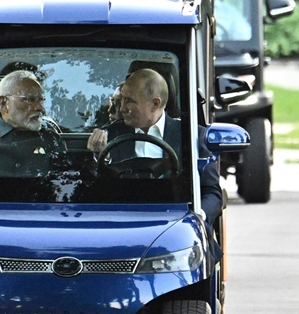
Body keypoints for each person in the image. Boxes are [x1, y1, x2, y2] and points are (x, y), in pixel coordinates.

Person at [87, 68, 223, 226]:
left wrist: (196, 218)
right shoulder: (110, 134)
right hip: (119, 222)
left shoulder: (192, 136)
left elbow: (212, 193)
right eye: (121, 100)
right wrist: (98, 156)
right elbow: (91, 189)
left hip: (176, 224)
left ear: (155, 104)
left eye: (129, 101)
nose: (122, 108)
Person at [0, 70, 66, 178]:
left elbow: (63, 184)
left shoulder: (50, 139)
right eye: (30, 99)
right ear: (3, 102)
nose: (40, 108)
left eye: (41, 100)